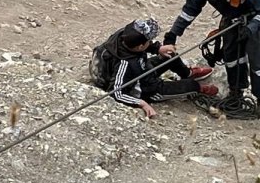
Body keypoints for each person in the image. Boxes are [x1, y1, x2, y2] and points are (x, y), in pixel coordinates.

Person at [162, 0, 260, 118]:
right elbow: (189, 11)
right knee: (231, 59)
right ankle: (236, 92)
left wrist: (251, 27)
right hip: (232, 20)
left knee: (257, 63)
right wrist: (173, 33)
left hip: (254, 20)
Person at [89, 18, 219, 118]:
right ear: (140, 46)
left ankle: (187, 72)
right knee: (190, 85)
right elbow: (116, 92)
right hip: (148, 89)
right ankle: (197, 88)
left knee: (169, 56)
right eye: (149, 41)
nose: (150, 42)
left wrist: (158, 48)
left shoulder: (123, 36)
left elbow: (143, 46)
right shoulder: (125, 64)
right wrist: (141, 103)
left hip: (143, 69)